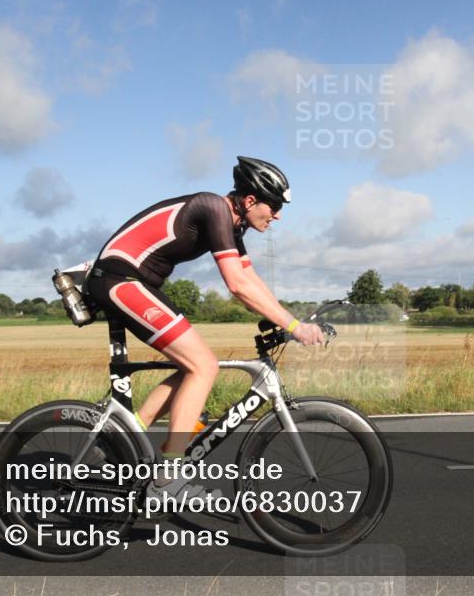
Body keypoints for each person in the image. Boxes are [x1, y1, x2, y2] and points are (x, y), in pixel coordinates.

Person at [85, 156, 324, 499]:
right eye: (273, 207)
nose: (278, 216)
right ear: (250, 201)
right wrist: (294, 327)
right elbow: (237, 287)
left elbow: (249, 278)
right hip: (118, 279)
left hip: (133, 282)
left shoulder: (232, 223)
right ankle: (169, 476)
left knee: (193, 364)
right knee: (204, 365)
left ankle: (122, 436)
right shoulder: (212, 207)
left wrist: (293, 320)